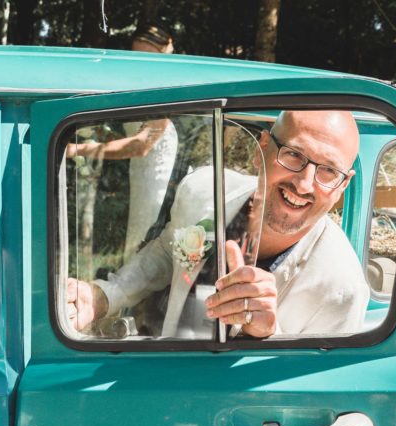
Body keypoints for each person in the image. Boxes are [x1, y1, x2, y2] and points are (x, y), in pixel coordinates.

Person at [67, 110, 370, 338]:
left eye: (329, 171)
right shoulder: (202, 190)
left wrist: (269, 335)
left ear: (343, 186)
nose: (304, 184)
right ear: (260, 148)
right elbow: (166, 252)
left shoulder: (341, 289)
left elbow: (312, 402)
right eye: (293, 155)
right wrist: (106, 295)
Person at [66, 21, 178, 257]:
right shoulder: (140, 87)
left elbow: (140, 146)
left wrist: (80, 149)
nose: (140, 63)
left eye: (148, 57)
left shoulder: (164, 89)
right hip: (138, 173)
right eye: (135, 56)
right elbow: (129, 135)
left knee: (147, 232)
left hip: (156, 177)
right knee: (136, 230)